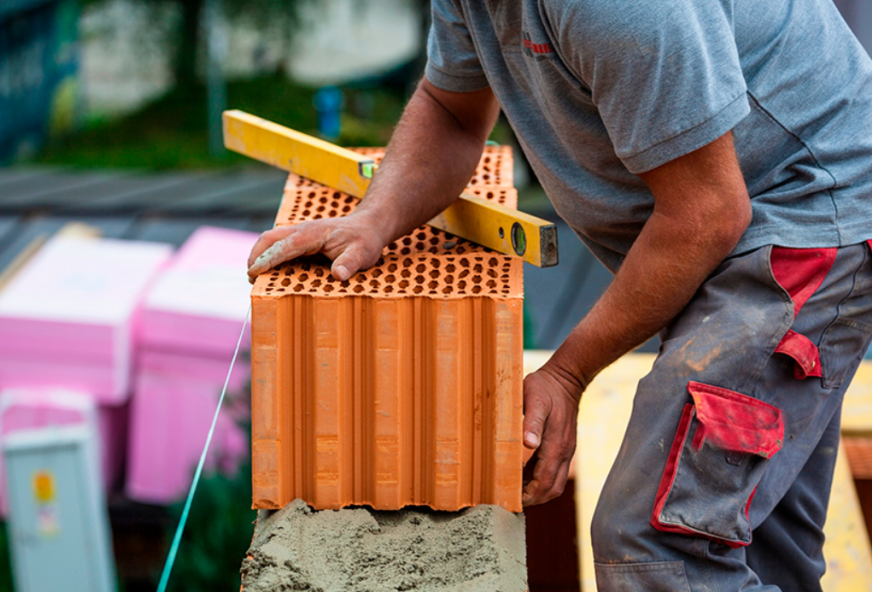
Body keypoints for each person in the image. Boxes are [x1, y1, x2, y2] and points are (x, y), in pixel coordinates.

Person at [247, 1, 872, 590]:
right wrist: (373, 219)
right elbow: (450, 109)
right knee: (748, 533)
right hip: (747, 215)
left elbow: (706, 212)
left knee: (659, 539)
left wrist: (568, 374)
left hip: (810, 224)